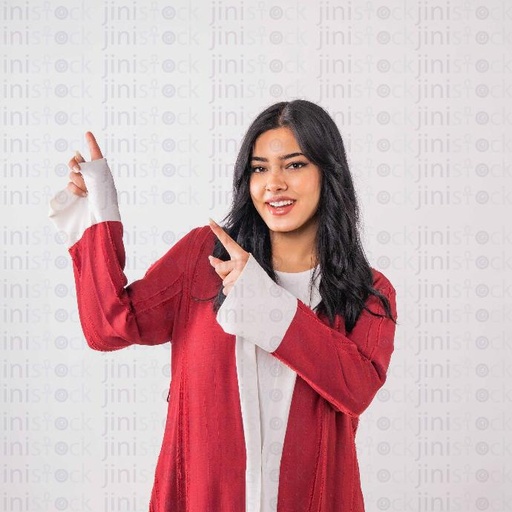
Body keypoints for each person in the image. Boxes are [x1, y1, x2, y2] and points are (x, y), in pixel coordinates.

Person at [49, 99, 397, 512]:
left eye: (295, 164)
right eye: (259, 168)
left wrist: (261, 299)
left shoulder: (367, 290)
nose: (274, 183)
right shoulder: (204, 258)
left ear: (329, 173)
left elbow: (355, 389)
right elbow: (109, 325)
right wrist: (98, 212)